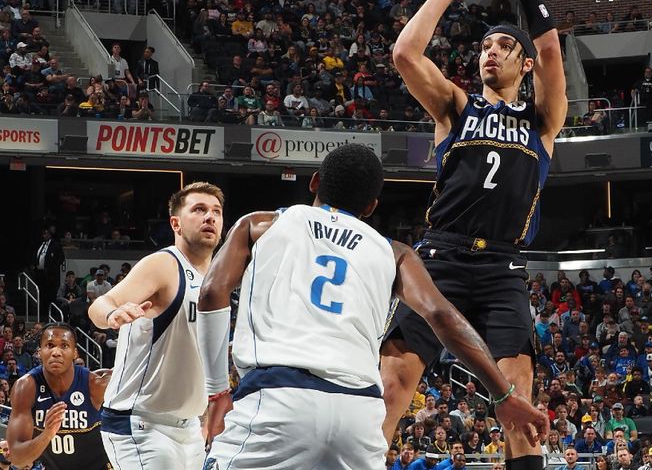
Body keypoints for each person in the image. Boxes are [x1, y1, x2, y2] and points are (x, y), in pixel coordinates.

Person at [198, 144, 543, 469]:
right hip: (359, 415)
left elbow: (212, 292)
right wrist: (503, 394)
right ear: (371, 207)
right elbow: (441, 315)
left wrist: (217, 393)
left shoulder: (260, 224)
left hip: (277, 397)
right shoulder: (395, 252)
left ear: (315, 181)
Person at [379, 0, 564, 470]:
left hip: (503, 266)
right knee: (394, 382)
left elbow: (552, 47)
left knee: (519, 395)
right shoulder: (456, 107)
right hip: (439, 256)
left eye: (506, 46)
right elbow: (405, 56)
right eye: (486, 45)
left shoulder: (542, 120)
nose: (492, 52)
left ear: (523, 65)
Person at [87, 182, 225, 470]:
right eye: (199, 209)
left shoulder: (217, 277)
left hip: (188, 427)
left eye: (216, 211)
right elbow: (99, 306)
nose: (209, 217)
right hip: (141, 423)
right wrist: (113, 314)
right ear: (175, 222)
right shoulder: (164, 264)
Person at [6, 323, 112, 470]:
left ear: (75, 353)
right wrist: (47, 434)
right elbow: (17, 459)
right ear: (39, 352)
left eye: (64, 345)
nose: (56, 352)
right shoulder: (26, 388)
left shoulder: (95, 384)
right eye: (49, 345)